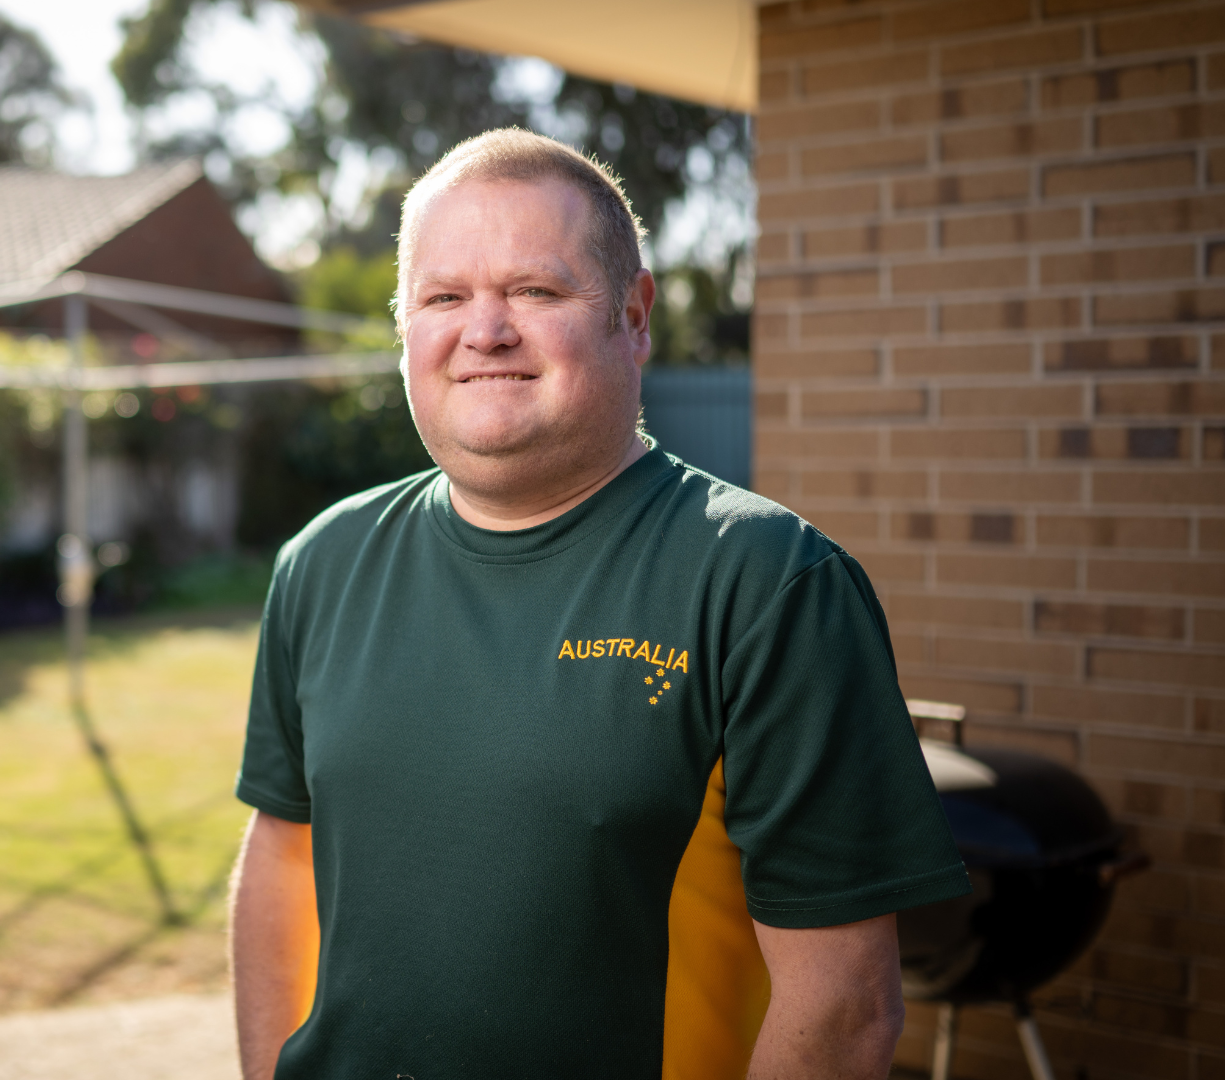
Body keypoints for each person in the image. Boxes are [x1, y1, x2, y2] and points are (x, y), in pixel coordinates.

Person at [229, 129, 969, 1080]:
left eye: (534, 291)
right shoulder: (322, 563)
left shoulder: (769, 584)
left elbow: (843, 1009)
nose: (483, 330)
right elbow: (283, 860)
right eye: (443, 297)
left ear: (634, 313)